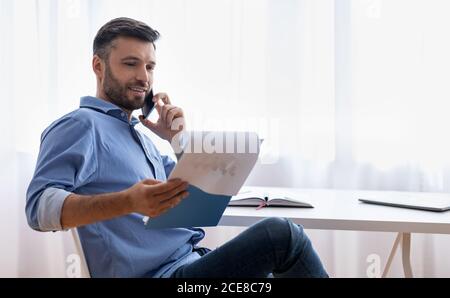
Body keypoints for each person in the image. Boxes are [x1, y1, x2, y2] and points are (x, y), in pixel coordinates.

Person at [26, 17, 328, 278]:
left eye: (150, 66)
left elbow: (198, 196)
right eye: (130, 64)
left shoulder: (140, 137)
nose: (144, 77)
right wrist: (128, 201)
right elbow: (39, 209)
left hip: (191, 261)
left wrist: (178, 140)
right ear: (98, 66)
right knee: (282, 237)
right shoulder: (80, 126)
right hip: (166, 274)